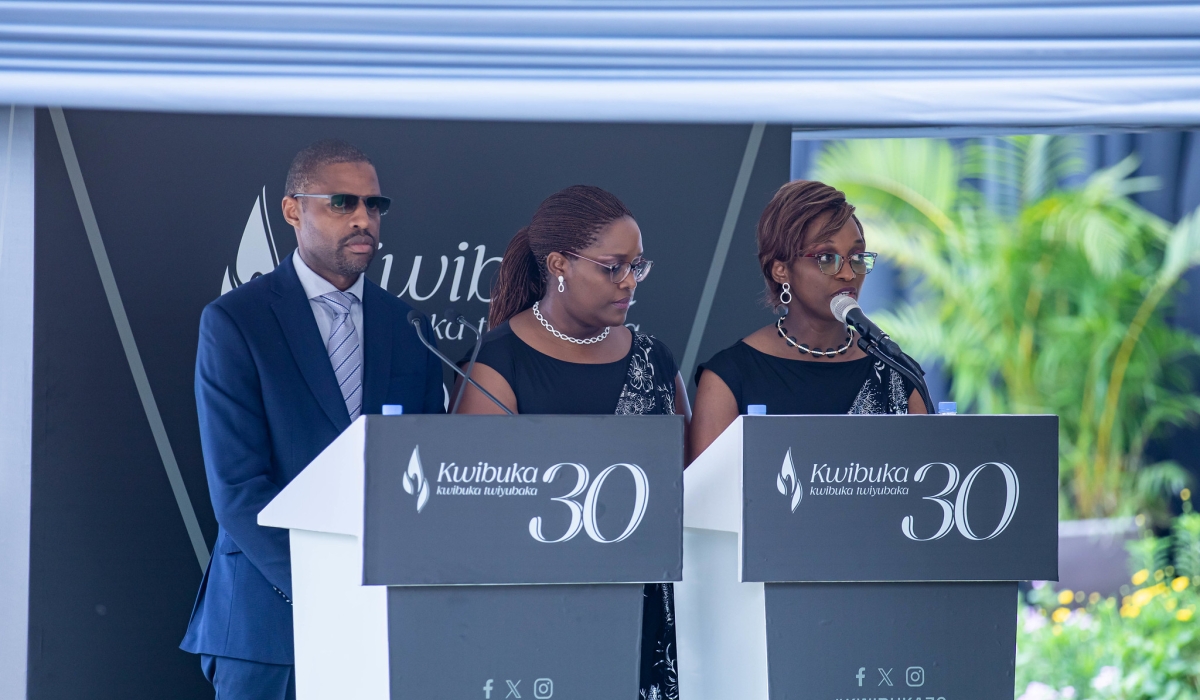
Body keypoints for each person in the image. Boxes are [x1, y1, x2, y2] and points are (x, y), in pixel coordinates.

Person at [180, 139, 445, 699]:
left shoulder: (409, 327)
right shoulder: (237, 322)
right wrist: (329, 590)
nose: (364, 220)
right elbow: (238, 489)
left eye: (375, 206)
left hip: (382, 623)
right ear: (293, 209)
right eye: (342, 203)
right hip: (268, 625)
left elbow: (424, 470)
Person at [454, 185, 690, 700]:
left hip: (645, 612)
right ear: (559, 264)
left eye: (638, 267)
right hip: (536, 619)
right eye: (613, 267)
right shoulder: (497, 364)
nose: (629, 282)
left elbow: (689, 484)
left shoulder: (654, 360)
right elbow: (484, 514)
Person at [690, 179, 927, 460]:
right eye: (827, 258)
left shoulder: (896, 373)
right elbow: (706, 498)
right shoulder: (731, 377)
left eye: (856, 256)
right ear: (780, 269)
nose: (848, 274)